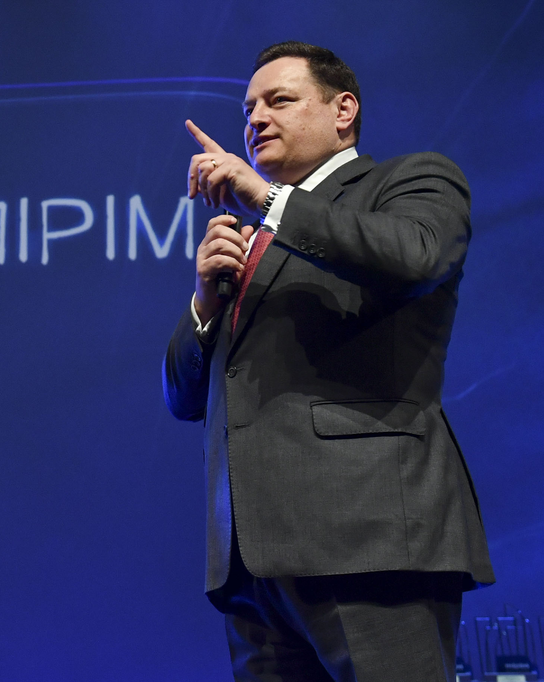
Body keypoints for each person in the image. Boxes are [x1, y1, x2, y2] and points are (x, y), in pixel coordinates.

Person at [162, 42, 493, 681]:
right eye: (249, 108)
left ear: (344, 110)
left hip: (370, 540)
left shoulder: (411, 179)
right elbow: (182, 398)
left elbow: (417, 256)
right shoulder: (250, 236)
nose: (257, 119)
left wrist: (269, 200)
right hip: (252, 566)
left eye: (279, 100)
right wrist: (204, 300)